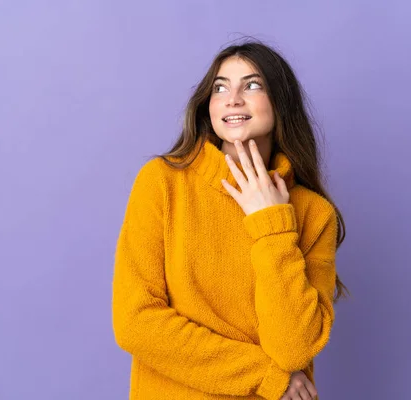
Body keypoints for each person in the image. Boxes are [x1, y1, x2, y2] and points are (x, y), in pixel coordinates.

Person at [112, 39, 350, 400]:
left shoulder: (313, 214)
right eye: (220, 87)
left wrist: (272, 223)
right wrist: (267, 376)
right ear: (209, 106)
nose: (233, 98)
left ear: (280, 104)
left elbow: (293, 349)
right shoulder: (162, 182)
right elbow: (135, 322)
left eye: (252, 85)